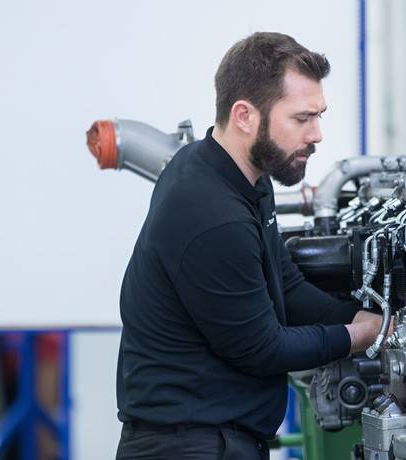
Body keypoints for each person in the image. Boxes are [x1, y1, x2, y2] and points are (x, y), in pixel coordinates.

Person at [115, 32, 385, 460]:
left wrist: (368, 318)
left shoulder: (242, 175)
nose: (317, 134)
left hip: (218, 438)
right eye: (301, 118)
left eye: (319, 115)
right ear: (244, 115)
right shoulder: (211, 212)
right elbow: (262, 349)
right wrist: (356, 336)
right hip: (188, 446)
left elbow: (286, 285)